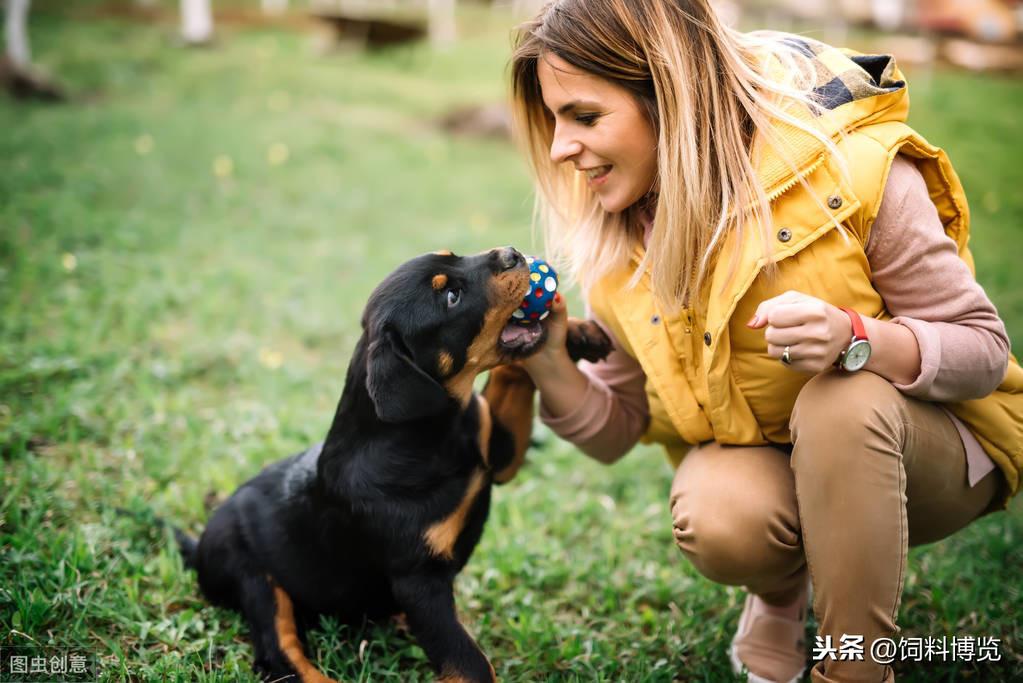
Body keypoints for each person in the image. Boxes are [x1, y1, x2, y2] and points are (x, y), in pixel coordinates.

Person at [507, 1, 1022, 681]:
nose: (558, 149)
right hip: (781, 458)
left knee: (840, 403)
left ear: (669, 94)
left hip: (941, 448)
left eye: (583, 116)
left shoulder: (853, 172)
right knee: (720, 515)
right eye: (552, 120)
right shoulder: (619, 238)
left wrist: (854, 339)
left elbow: (982, 350)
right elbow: (618, 426)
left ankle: (852, 668)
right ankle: (781, 592)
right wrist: (548, 361)